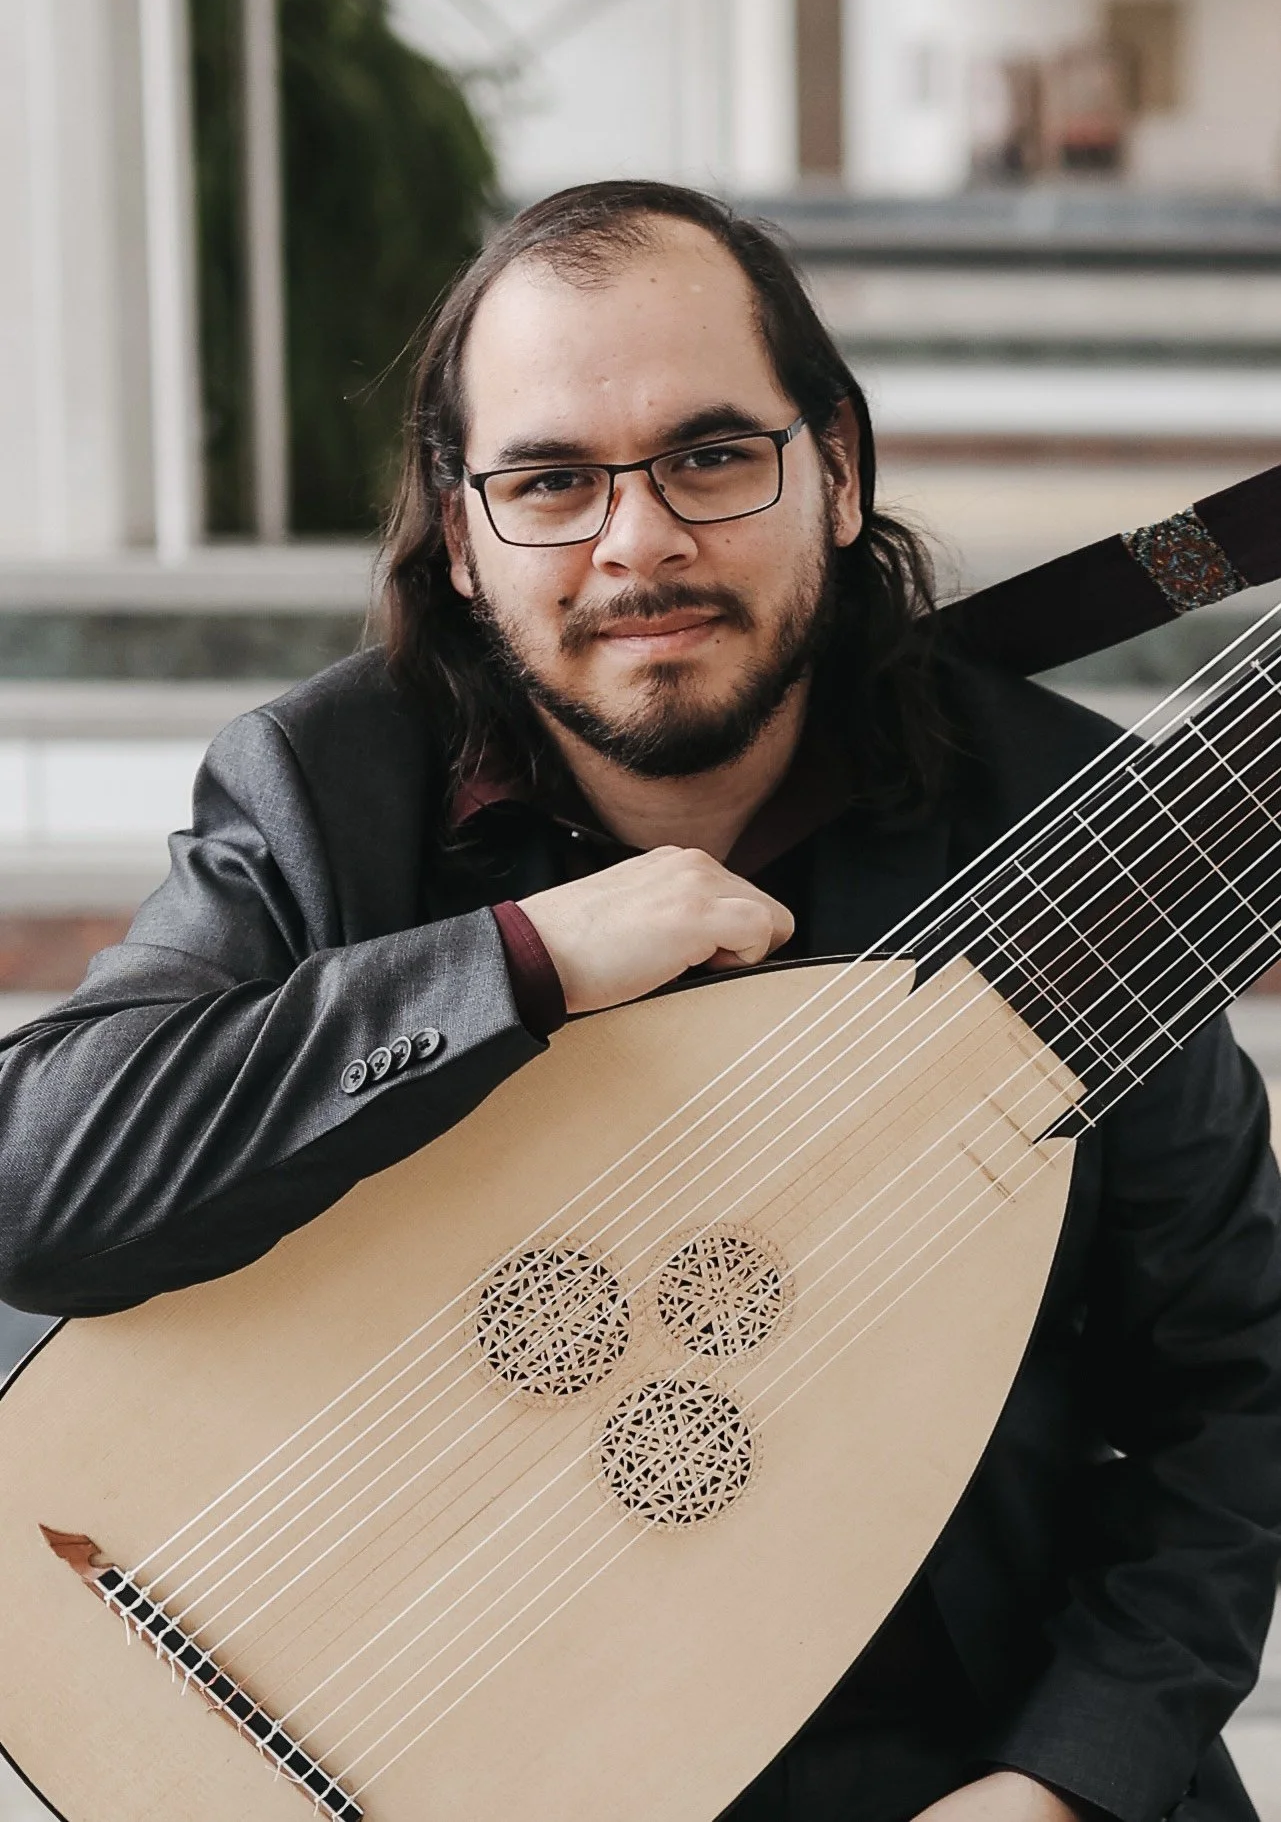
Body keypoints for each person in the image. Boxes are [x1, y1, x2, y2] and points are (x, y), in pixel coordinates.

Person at [1, 180, 1279, 1822]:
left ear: (837, 471)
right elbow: (37, 1181)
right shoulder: (334, 792)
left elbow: (1230, 1390)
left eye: (711, 455)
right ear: (462, 539)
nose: (639, 541)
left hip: (950, 1741)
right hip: (409, 1716)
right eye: (550, 480)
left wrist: (1064, 1779)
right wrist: (522, 962)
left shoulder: (1072, 843)